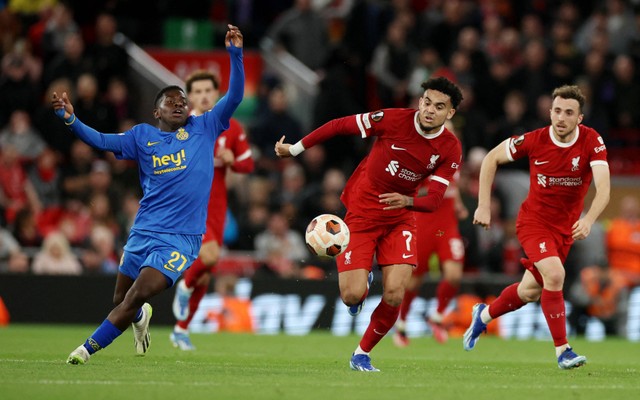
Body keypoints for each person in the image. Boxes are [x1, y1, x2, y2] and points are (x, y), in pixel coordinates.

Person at [55, 24, 245, 365]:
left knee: (139, 292)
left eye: (183, 101)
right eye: (171, 101)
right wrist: (71, 120)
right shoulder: (141, 137)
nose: (180, 104)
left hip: (181, 240)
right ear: (156, 112)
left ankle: (85, 350)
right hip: (143, 232)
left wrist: (235, 55)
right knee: (122, 299)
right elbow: (100, 140)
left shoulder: (206, 127)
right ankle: (141, 317)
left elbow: (234, 97)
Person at [275, 76, 463, 372]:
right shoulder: (392, 120)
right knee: (352, 294)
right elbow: (339, 125)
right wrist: (296, 149)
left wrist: (407, 202)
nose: (429, 110)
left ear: (449, 114)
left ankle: (361, 353)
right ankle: (363, 285)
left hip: (401, 219)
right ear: (419, 100)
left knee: (395, 293)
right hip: (362, 215)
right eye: (426, 102)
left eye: (439, 107)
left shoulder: (450, 147)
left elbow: (436, 199)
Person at [464, 85, 610, 369]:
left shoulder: (592, 140)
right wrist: (483, 204)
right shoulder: (535, 140)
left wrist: (589, 219)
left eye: (569, 112)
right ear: (550, 112)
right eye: (557, 111)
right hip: (534, 223)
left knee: (529, 291)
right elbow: (491, 158)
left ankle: (482, 316)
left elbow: (604, 187)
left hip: (564, 230)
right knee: (555, 275)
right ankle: (563, 351)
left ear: (580, 117)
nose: (561, 118)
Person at [171, 69, 254, 351]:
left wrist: (232, 160)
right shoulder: (180, 125)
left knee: (205, 271)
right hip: (188, 199)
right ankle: (183, 287)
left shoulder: (233, 127)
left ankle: (181, 330)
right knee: (209, 256)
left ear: (217, 94)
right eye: (198, 91)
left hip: (216, 199)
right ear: (189, 97)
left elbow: (248, 164)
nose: (204, 95)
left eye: (209, 90)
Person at [393, 169, 467, 346]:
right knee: (413, 281)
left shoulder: (454, 160)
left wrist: (458, 204)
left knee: (454, 275)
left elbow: (453, 187)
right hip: (423, 225)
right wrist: (435, 188)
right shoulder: (423, 161)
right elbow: (409, 192)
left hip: (447, 227)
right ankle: (401, 324)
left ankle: (437, 317)